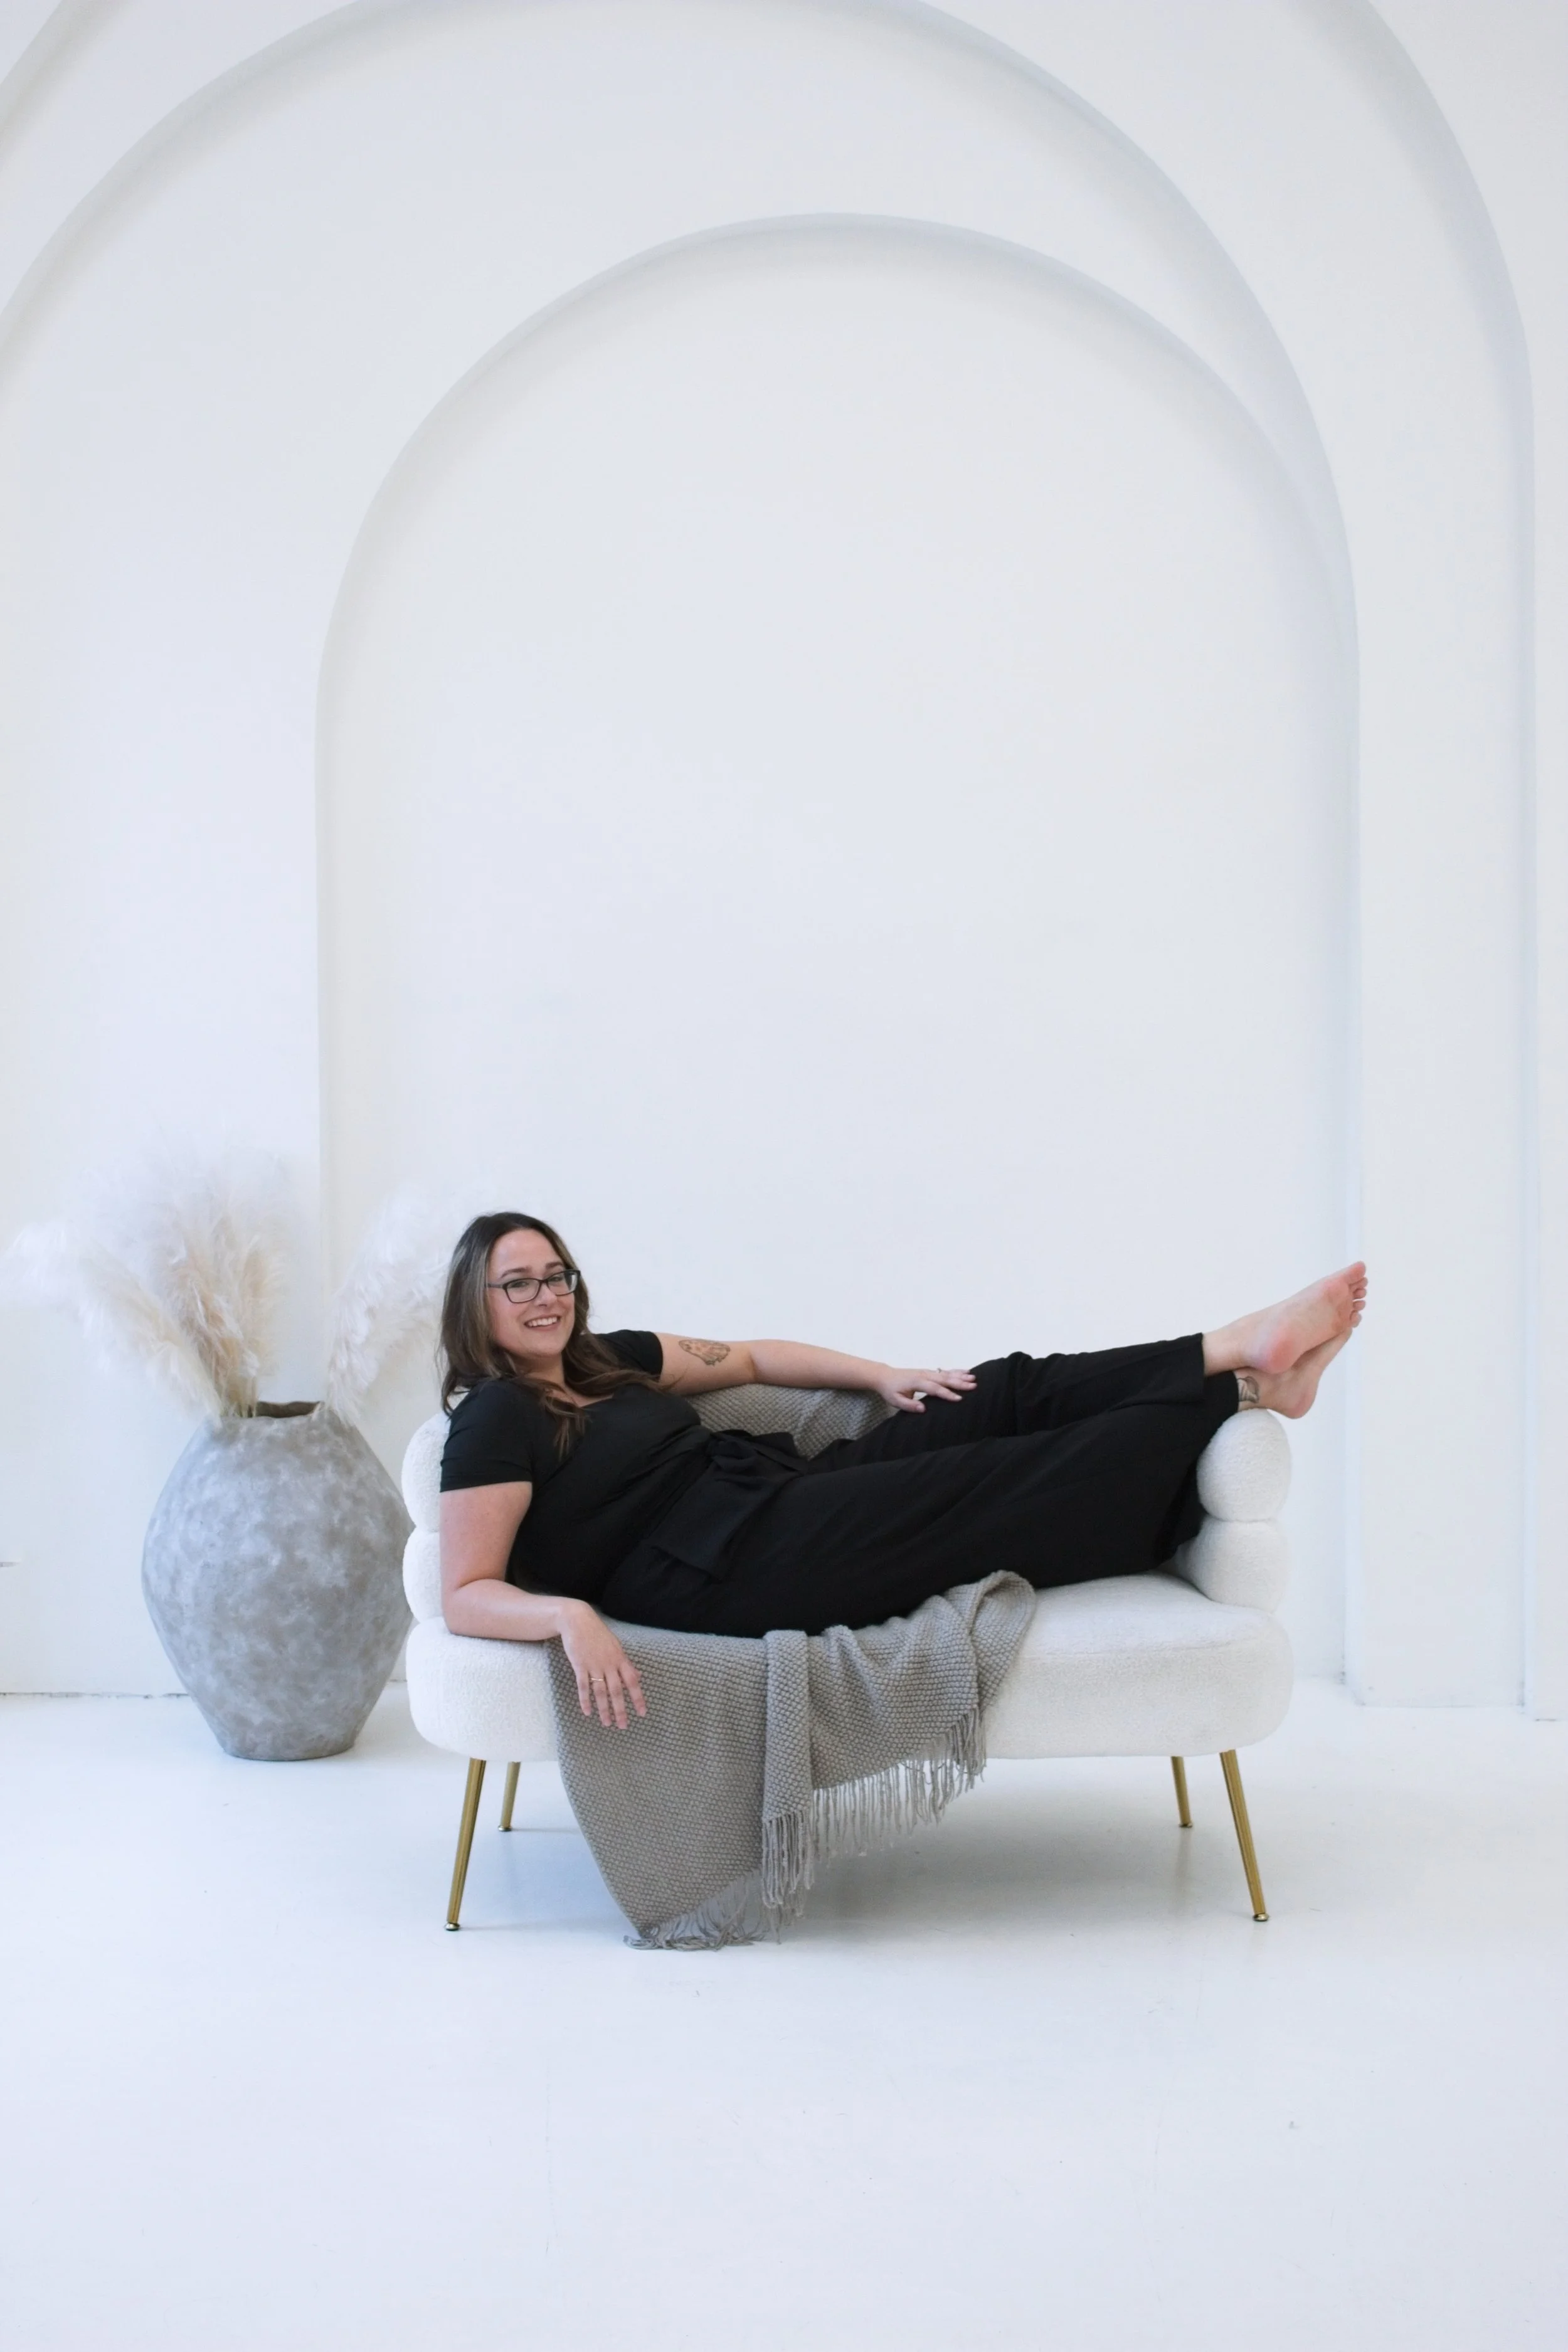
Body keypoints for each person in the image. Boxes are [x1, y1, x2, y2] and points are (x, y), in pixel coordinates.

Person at [438, 1212, 1367, 1732]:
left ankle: (1232, 1347)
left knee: (995, 1392)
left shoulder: (611, 1358)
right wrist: (569, 1615)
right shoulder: (495, 1416)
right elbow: (467, 1589)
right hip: (725, 1570)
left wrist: (883, 1377)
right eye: (517, 1282)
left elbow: (754, 1359)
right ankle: (1242, 1390)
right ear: (476, 1306)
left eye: (555, 1274)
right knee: (998, 1480)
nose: (547, 1295)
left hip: (770, 1494)